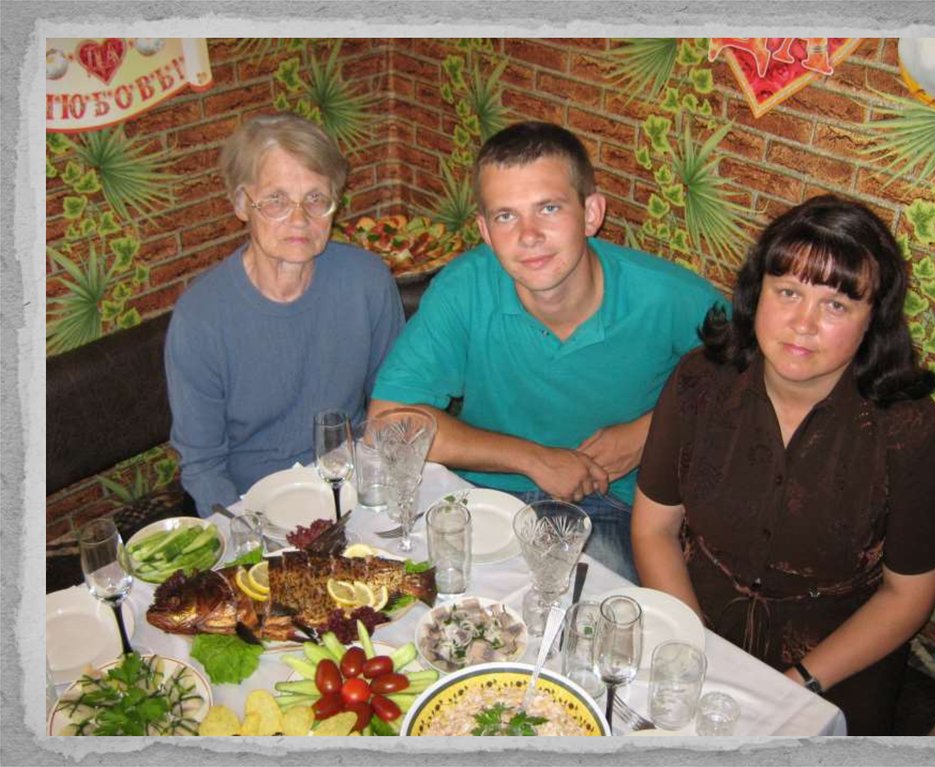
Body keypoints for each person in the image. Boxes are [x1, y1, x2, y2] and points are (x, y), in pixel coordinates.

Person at [632, 195, 935, 734]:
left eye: (836, 305)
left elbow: (908, 595)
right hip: (695, 623)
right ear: (757, 292)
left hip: (837, 661)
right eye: (788, 292)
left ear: (873, 321)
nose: (803, 323)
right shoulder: (699, 380)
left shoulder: (909, 429)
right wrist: (695, 651)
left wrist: (794, 686)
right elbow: (654, 529)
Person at [369, 121, 725, 582]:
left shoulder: (669, 296)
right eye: (506, 216)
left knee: (589, 617)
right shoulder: (463, 287)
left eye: (549, 208)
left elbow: (751, 382)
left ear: (591, 213)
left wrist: (648, 433)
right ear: (485, 231)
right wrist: (533, 458)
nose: (528, 235)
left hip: (608, 504)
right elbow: (387, 424)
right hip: (485, 492)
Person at [165, 114, 405, 517]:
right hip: (252, 506)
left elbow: (394, 404)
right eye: (276, 200)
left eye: (315, 198)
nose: (299, 219)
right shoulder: (201, 317)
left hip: (351, 490)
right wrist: (245, 534)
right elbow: (203, 466)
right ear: (242, 204)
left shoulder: (367, 280)